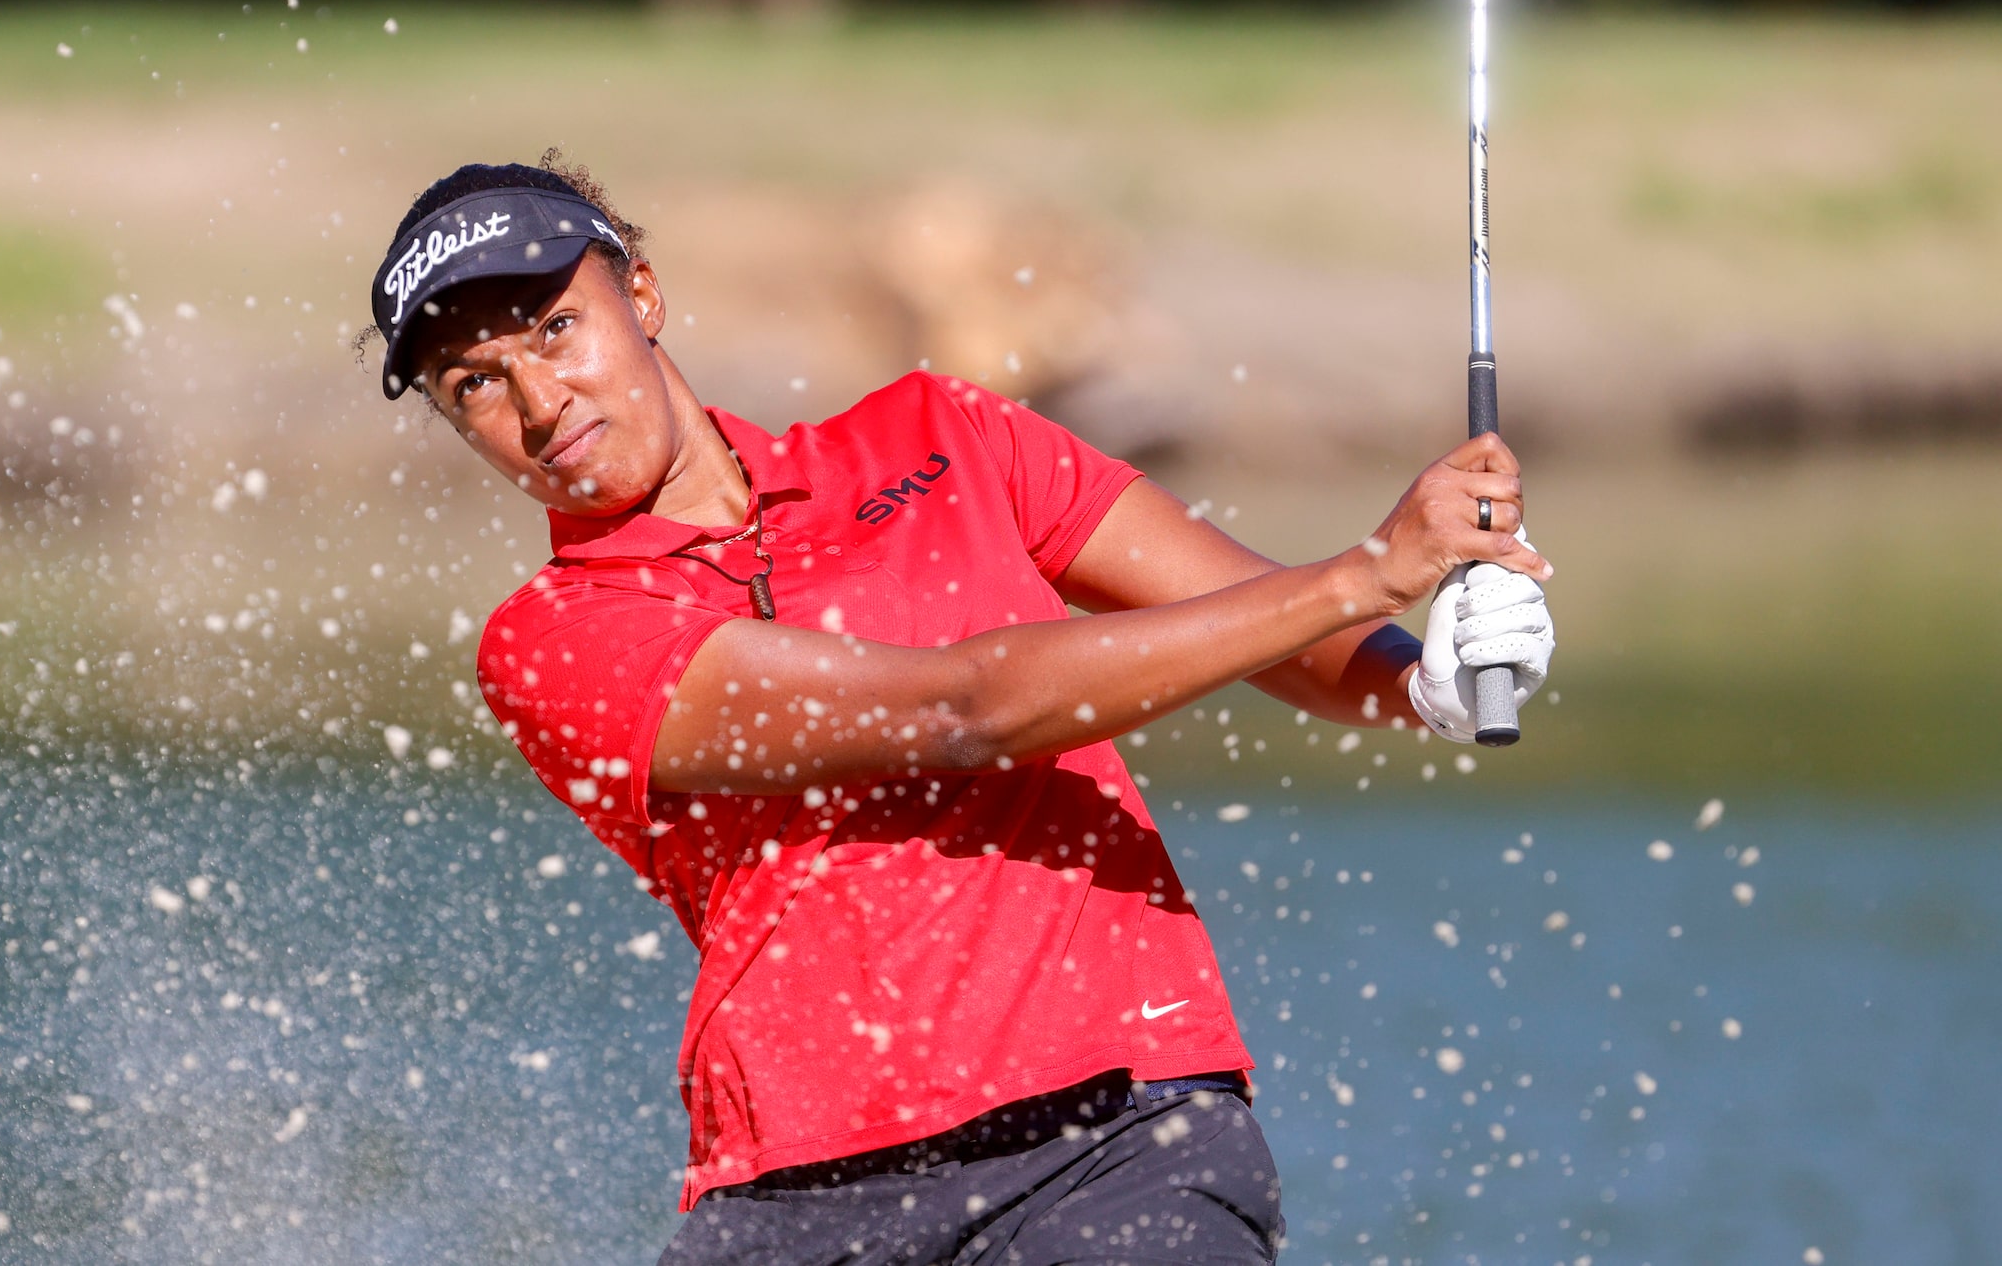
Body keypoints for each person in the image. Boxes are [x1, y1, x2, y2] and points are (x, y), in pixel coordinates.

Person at [366, 154, 1556, 1266]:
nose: (537, 400)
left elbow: (1264, 619)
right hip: (797, 1196)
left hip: (1119, 1136)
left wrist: (1418, 677)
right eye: (474, 383)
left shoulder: (942, 436)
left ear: (642, 295)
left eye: (556, 330)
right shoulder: (554, 640)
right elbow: (961, 711)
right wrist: (1359, 573)